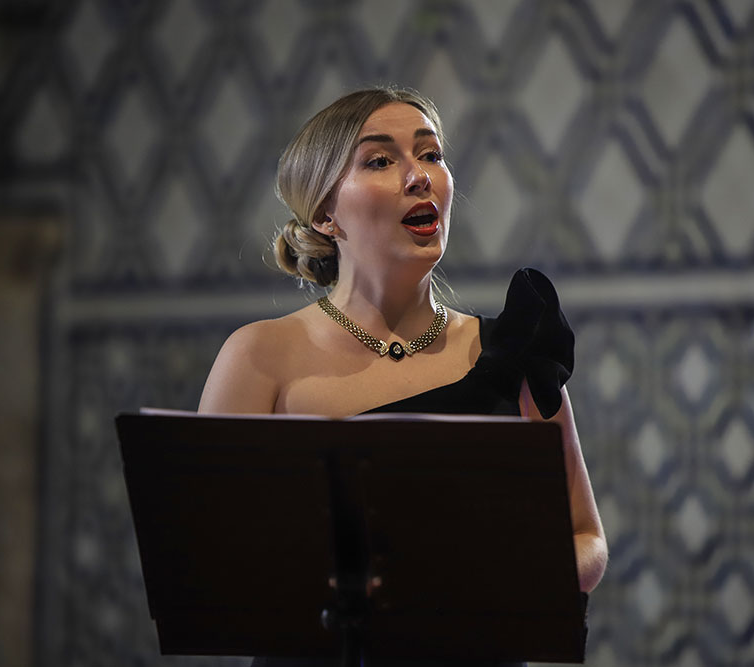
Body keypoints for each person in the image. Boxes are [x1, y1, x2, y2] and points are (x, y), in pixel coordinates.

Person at [198, 87, 607, 662]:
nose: (420, 177)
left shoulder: (515, 350)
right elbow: (207, 561)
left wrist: (493, 575)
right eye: (380, 160)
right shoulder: (258, 356)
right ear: (324, 213)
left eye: (432, 155)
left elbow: (587, 541)